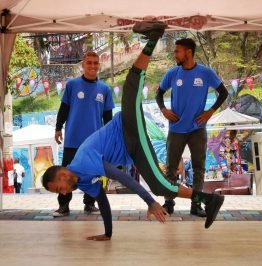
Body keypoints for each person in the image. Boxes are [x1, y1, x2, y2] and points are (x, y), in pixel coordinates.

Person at [42, 21, 224, 241]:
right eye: (58, 193)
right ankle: (208, 199)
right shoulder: (81, 181)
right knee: (159, 185)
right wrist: (107, 234)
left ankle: (153, 39)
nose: (62, 192)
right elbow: (102, 200)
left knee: (130, 88)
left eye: (58, 188)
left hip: (127, 128)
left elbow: (122, 177)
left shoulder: (83, 162)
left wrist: (150, 203)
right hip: (133, 148)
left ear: (62, 174)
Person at [155, 38, 228, 217]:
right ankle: (168, 203)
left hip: (197, 128)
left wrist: (210, 111)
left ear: (188, 52)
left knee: (198, 168)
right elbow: (159, 93)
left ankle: (197, 205)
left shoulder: (205, 72)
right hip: (176, 129)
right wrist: (164, 110)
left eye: (177, 51)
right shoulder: (172, 73)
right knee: (171, 168)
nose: (175, 55)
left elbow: (223, 92)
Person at [53, 50, 115, 217]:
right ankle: (63, 206)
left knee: (93, 174)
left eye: (95, 63)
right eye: (89, 62)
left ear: (99, 65)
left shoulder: (104, 89)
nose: (92, 66)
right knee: (66, 173)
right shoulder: (72, 85)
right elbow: (63, 109)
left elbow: (108, 118)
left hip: (94, 142)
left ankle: (89, 204)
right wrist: (58, 128)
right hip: (72, 139)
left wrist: (109, 140)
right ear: (83, 65)